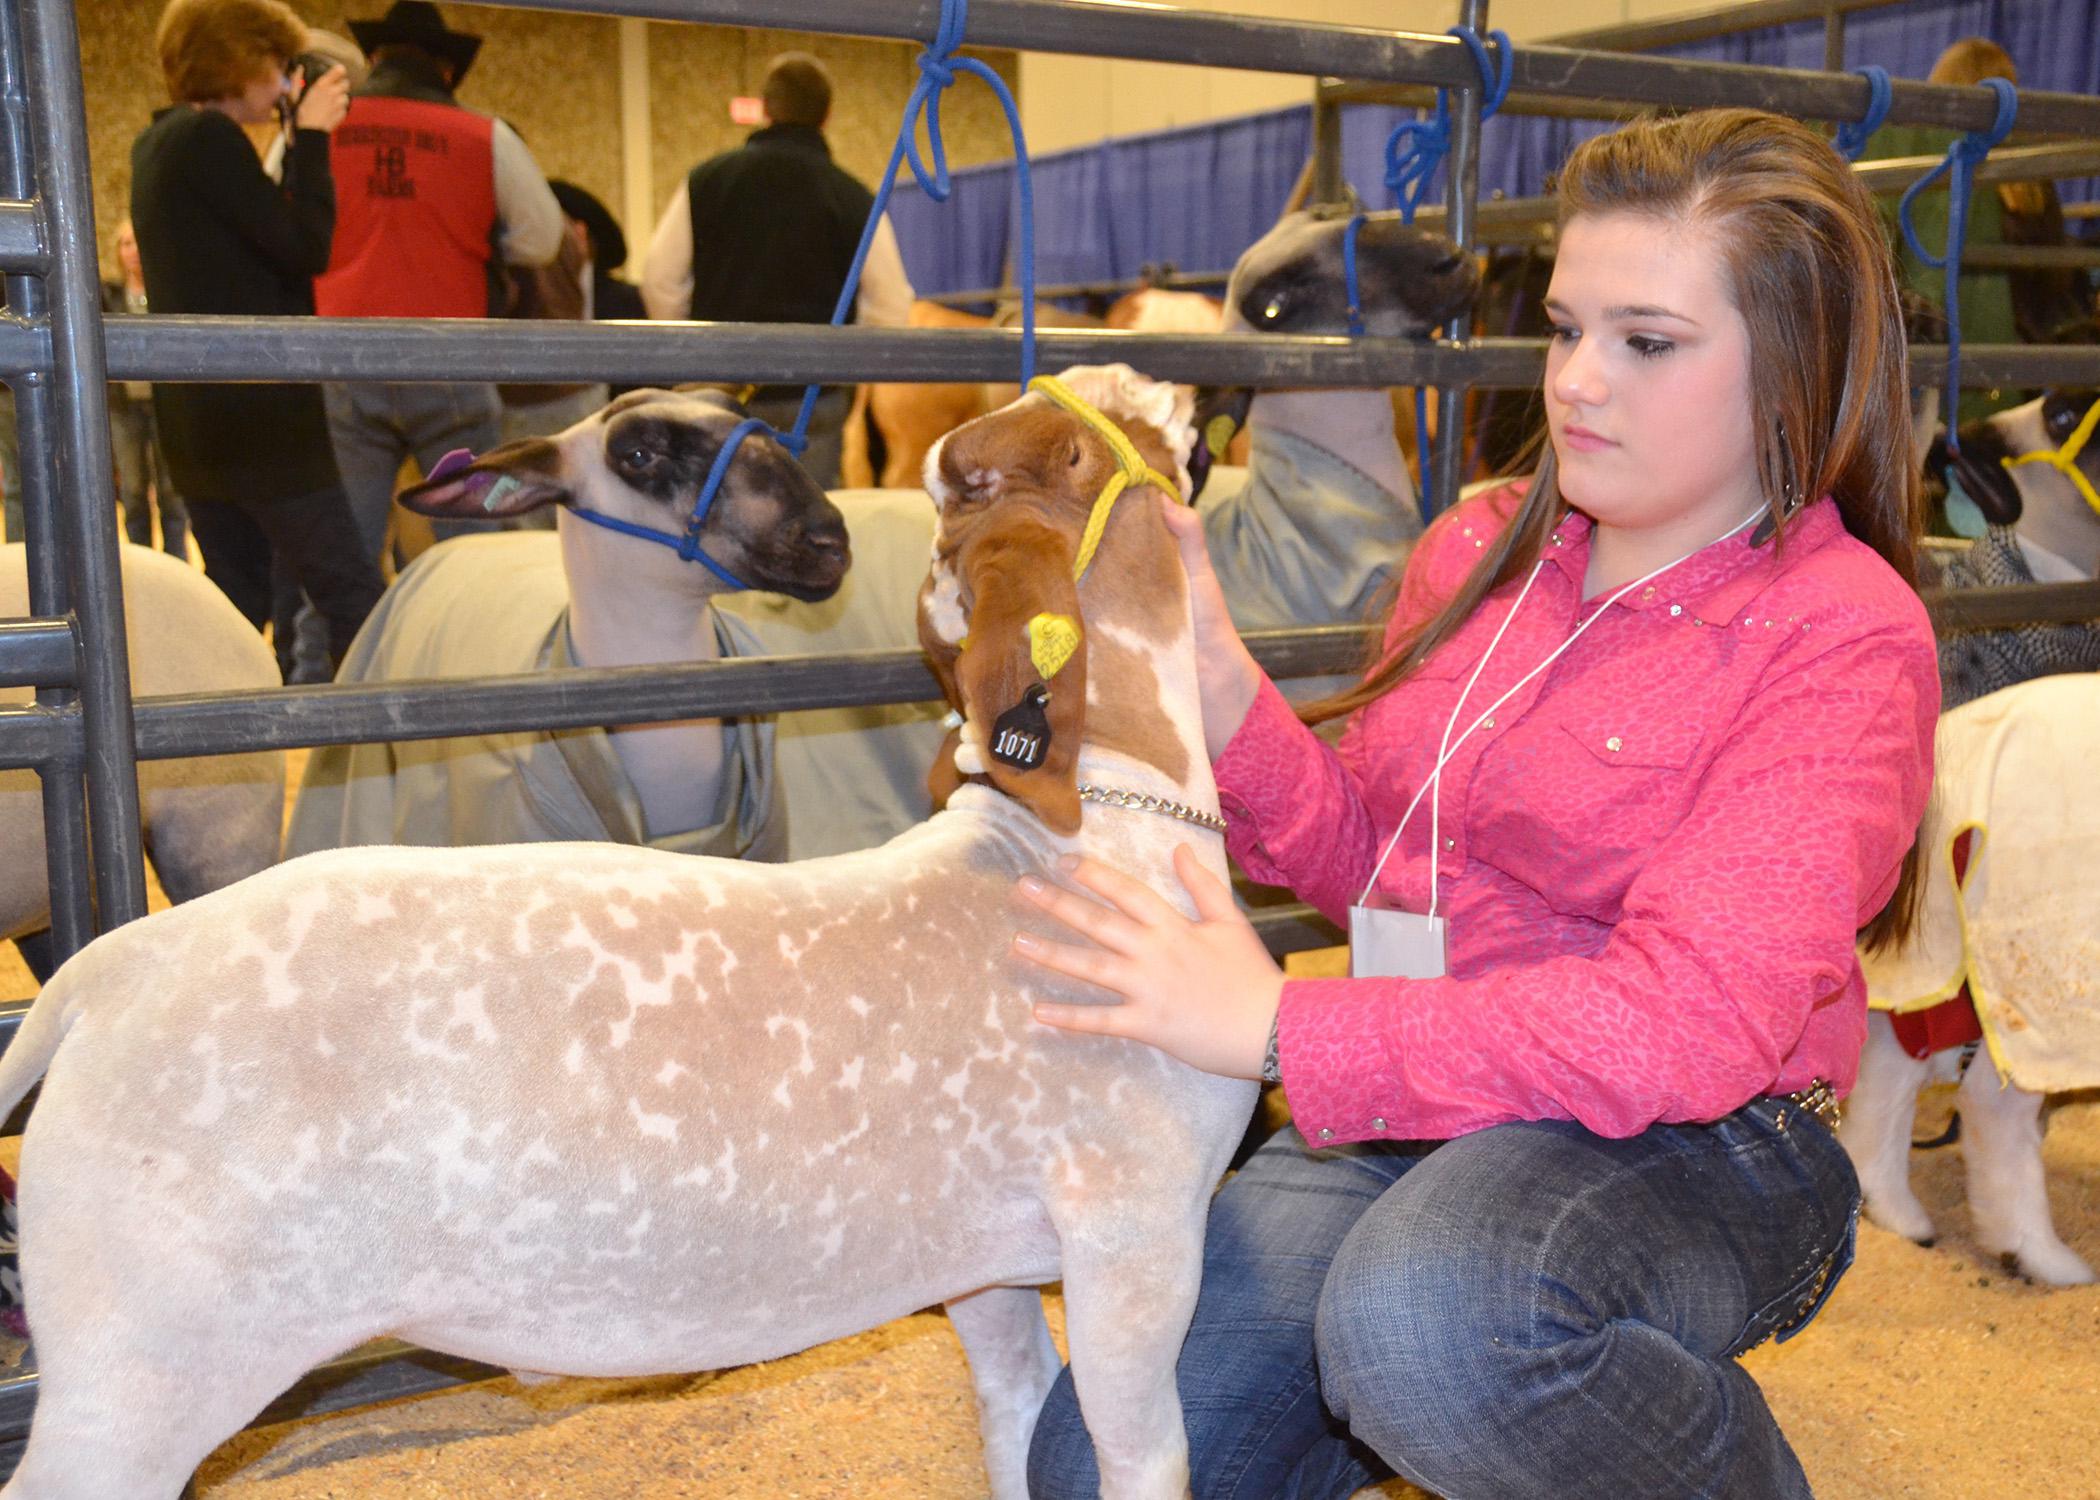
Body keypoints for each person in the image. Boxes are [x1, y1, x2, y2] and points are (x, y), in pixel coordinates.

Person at [1015, 110, 1940, 1499]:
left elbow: (1687, 1024)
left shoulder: (1841, 636)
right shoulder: (1474, 548)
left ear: (1793, 370)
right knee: (1105, 1456)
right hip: (1429, 1095)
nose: (1577, 381)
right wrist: (1214, 689)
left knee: (1428, 1328)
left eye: (1646, 342)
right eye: (1565, 328)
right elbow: (1376, 871)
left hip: (1710, 1135)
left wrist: (1276, 1025)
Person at [130, 0, 384, 681]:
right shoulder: (206, 141)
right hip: (263, 423)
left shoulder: (160, 143)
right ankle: (362, 767)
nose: (281, 85)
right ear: (238, 61)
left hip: (200, 422)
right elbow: (306, 246)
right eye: (275, 66)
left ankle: (209, 764)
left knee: (234, 608)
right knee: (354, 598)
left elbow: (252, 245)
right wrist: (314, 135)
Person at [312, 0, 564, 556]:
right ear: (446, 69)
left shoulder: (321, 130)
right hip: (450, 356)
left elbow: (281, 224)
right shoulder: (485, 135)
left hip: (341, 355)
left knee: (344, 553)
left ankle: (329, 648)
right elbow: (543, 237)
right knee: (471, 549)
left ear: (374, 57)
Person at [641, 50, 914, 487]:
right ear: (827, 116)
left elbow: (660, 278)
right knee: (807, 527)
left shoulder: (705, 180)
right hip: (811, 396)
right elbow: (890, 306)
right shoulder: (854, 197)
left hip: (717, 393)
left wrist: (697, 355)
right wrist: (843, 369)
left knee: (713, 518)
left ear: (765, 110)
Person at [103, 218, 187, 558]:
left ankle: (176, 564)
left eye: (138, 242)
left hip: (166, 404)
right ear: (117, 252)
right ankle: (142, 562)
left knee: (172, 492)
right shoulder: (107, 295)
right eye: (125, 243)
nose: (133, 251)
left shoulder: (167, 290)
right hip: (124, 406)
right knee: (135, 492)